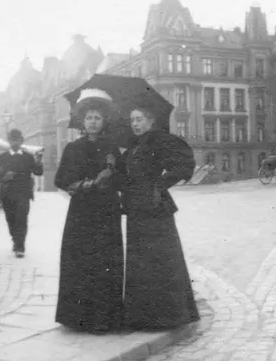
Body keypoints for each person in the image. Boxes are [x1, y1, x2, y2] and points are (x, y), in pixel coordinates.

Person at [118, 107, 200, 331]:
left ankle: (167, 316)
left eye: (139, 119)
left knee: (159, 259)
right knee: (140, 260)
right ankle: (142, 316)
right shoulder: (134, 146)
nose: (135, 124)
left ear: (150, 120)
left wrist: (161, 184)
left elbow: (184, 163)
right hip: (136, 208)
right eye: (132, 120)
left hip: (155, 206)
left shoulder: (160, 140)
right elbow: (123, 173)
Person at [54, 90, 124, 333]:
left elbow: (123, 180)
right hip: (82, 212)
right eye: (89, 118)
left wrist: (113, 173)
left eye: (97, 118)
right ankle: (79, 317)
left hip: (107, 211)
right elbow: (61, 180)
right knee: (82, 261)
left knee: (105, 261)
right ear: (83, 122)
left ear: (104, 121)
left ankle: (105, 318)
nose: (93, 122)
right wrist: (90, 183)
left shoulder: (111, 148)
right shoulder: (73, 148)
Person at [0, 129, 43, 257]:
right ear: (9, 141)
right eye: (12, 140)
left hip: (23, 194)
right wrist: (4, 177)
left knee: (21, 220)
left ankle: (20, 247)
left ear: (21, 141)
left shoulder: (28, 157)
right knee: (11, 220)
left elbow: (38, 172)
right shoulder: (2, 157)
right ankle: (15, 240)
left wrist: (39, 161)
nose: (15, 142)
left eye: (17, 140)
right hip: (7, 194)